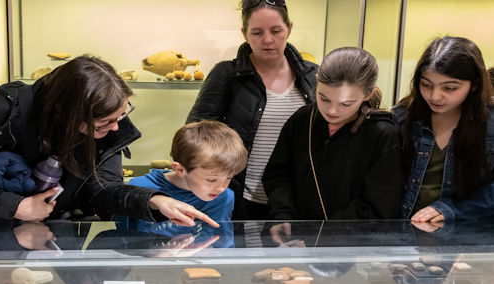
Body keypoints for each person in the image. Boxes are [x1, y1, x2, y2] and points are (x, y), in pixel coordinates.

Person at [0, 55, 218, 240]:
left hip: (39, 241)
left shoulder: (106, 129)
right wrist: (14, 207)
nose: (116, 127)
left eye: (122, 114)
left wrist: (154, 200)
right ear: (70, 118)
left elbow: (103, 188)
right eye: (105, 122)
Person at [186, 0, 317, 220]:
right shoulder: (227, 75)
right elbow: (195, 134)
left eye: (276, 31)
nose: (267, 40)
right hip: (239, 198)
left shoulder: (313, 76)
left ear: (289, 29)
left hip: (296, 201)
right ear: (244, 34)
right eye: (257, 32)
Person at [262, 47, 403, 243]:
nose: (332, 111)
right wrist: (282, 214)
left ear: (368, 94)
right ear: (317, 81)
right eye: (324, 98)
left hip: (349, 248)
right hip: (293, 241)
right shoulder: (303, 119)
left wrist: (320, 236)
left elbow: (378, 206)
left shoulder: (383, 134)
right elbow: (278, 173)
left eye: (346, 104)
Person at [394, 36, 494, 223]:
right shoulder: (402, 118)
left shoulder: (490, 123)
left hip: (467, 234)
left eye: (449, 88)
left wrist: (451, 209)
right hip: (405, 233)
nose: (435, 96)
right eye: (426, 85)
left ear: (474, 85)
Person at [114, 120, 248, 247]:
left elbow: (223, 243)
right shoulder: (138, 189)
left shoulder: (223, 197)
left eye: (229, 178)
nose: (221, 187)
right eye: (212, 179)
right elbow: (122, 238)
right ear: (179, 169)